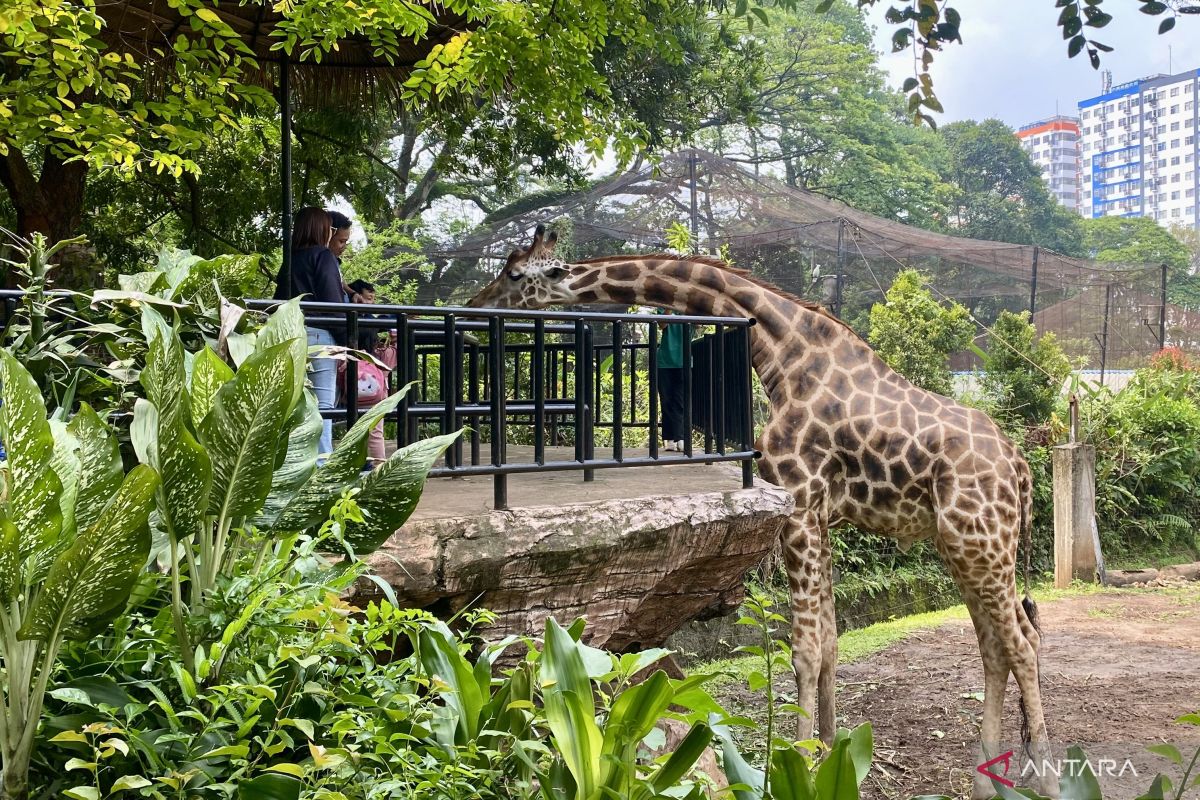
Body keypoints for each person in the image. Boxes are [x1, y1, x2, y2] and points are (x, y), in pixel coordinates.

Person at [275, 206, 344, 457]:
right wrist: (347, 344)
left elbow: (278, 301)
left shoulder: (290, 259)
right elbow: (333, 305)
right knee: (323, 405)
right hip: (320, 336)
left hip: (290, 336)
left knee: (295, 403)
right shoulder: (323, 256)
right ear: (322, 228)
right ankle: (321, 466)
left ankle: (295, 465)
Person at [656, 308, 689, 452]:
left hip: (685, 361)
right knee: (666, 401)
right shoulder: (662, 307)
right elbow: (662, 324)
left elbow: (700, 324)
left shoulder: (687, 308)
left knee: (680, 401)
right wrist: (669, 307)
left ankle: (680, 437)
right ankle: (669, 439)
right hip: (664, 361)